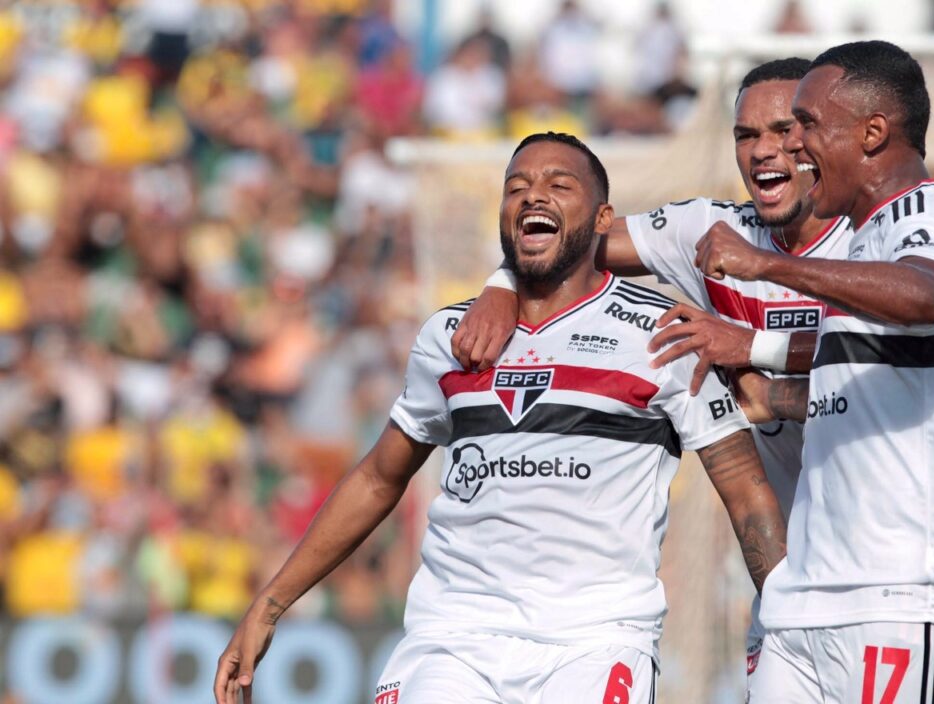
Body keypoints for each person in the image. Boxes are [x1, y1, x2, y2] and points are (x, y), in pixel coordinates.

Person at [212, 132, 787, 704]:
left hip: (592, 643)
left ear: (603, 218)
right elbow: (378, 477)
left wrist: (785, 622)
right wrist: (270, 603)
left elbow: (745, 488)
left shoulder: (664, 335)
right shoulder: (449, 336)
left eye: (559, 185)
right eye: (517, 188)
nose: (534, 197)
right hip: (452, 637)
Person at [453, 57, 854, 686]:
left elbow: (894, 358)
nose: (763, 151)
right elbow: (564, 240)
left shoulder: (887, 245)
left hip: (896, 566)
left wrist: (756, 353)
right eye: (746, 136)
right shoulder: (710, 231)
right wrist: (502, 283)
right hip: (791, 570)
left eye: (783, 131)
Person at [698, 41, 934, 702]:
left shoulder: (930, 216)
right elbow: (868, 382)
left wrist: (768, 267)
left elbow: (924, 294)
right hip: (808, 603)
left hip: (908, 598)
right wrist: (769, 391)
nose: (795, 147)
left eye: (807, 124)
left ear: (873, 133)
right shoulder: (862, 243)